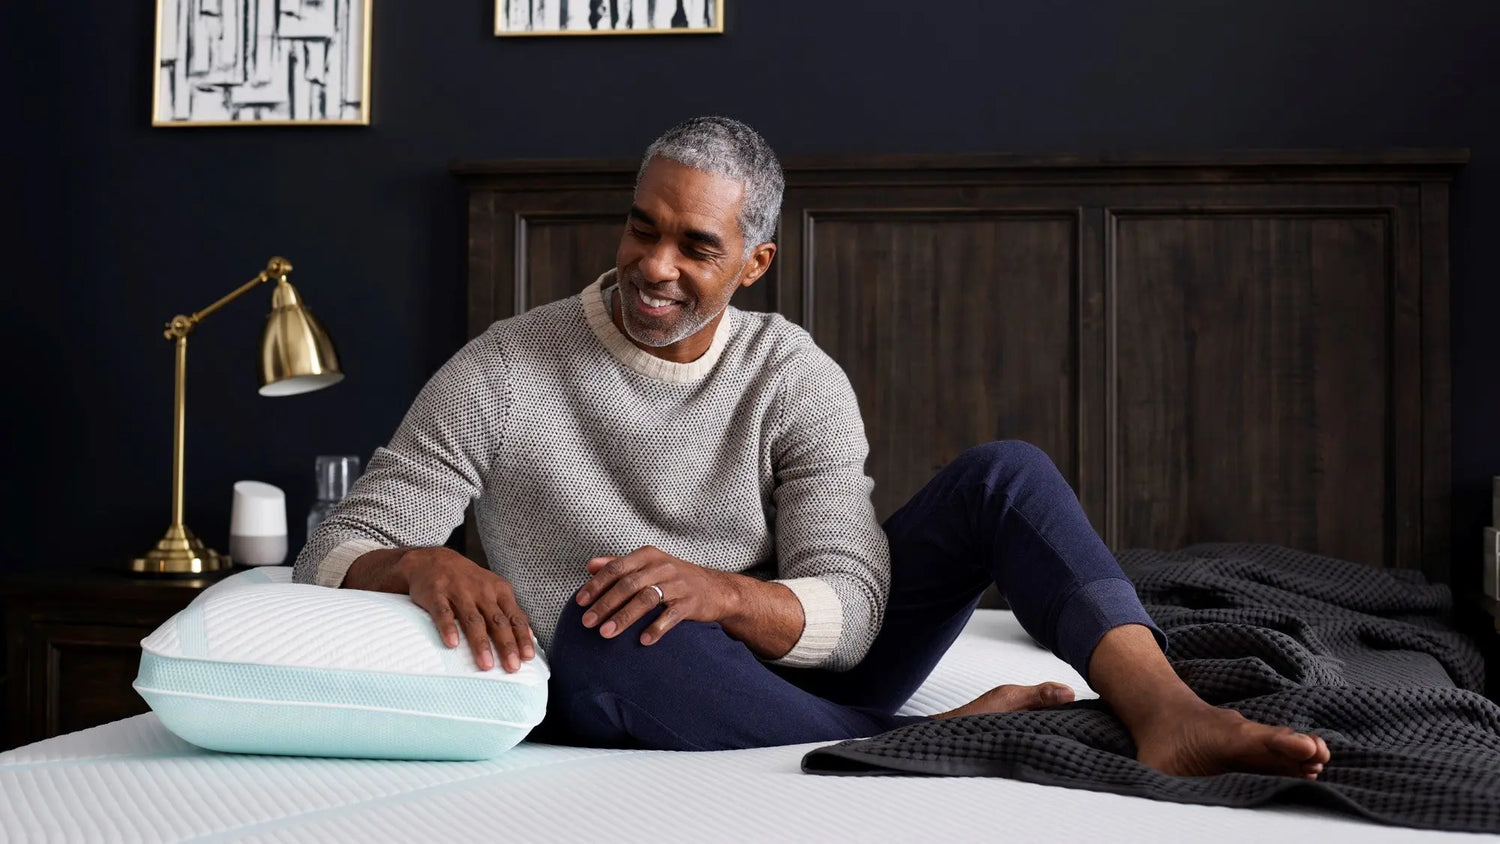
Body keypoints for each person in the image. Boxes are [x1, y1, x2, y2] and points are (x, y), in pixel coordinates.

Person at [294, 116, 1331, 778]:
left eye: (696, 246)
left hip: (806, 654)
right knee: (606, 633)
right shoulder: (507, 368)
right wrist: (416, 558)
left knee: (1006, 474)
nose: (654, 267)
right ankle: (929, 739)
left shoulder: (794, 375)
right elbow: (334, 548)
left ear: (755, 261)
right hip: (643, 678)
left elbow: (853, 605)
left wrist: (728, 592)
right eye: (639, 228)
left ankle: (1170, 711)